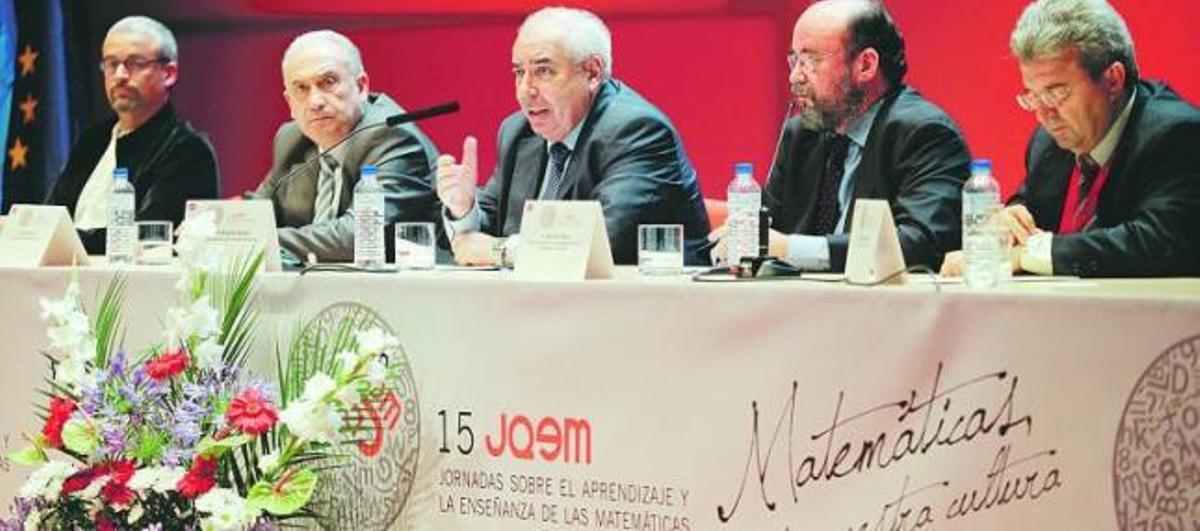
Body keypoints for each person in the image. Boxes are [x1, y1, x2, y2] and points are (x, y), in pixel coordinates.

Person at [942, 0, 1200, 278]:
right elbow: (1027, 203)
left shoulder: (1177, 134)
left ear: (1113, 80)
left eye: (1056, 92)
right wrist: (1009, 224)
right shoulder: (1047, 143)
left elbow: (1157, 242)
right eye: (1033, 96)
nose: (1044, 114)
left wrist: (1029, 253)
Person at [435, 7, 710, 267]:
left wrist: (500, 251)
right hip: (541, 306)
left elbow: (598, 244)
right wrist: (464, 210)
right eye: (519, 72)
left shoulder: (637, 131)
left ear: (592, 72)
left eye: (543, 71)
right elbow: (485, 230)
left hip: (639, 308)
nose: (525, 90)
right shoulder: (518, 133)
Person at [711, 0, 970, 272]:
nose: (794, 76)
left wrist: (791, 250)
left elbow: (920, 243)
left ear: (866, 65)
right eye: (794, 60)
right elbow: (770, 228)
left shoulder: (924, 133)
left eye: (811, 60)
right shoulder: (801, 135)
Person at [249, 30, 439, 263]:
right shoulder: (292, 139)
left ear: (361, 87)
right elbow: (257, 212)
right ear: (289, 102)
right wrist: (217, 228)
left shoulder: (391, 137)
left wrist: (260, 241)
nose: (315, 102)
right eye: (302, 88)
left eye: (328, 82)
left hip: (403, 292)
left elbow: (360, 237)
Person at [46, 16, 218, 254]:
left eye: (135, 63)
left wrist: (62, 241)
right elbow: (52, 217)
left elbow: (145, 237)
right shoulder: (91, 140)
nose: (120, 75)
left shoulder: (188, 150)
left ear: (168, 73)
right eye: (110, 63)